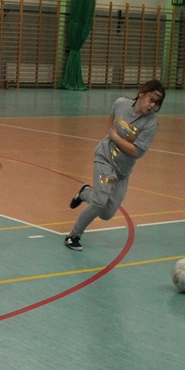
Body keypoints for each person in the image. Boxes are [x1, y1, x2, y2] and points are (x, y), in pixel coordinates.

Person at [65, 80, 166, 251]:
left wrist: (115, 138)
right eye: (151, 99)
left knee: (106, 213)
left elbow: (136, 152)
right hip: (105, 160)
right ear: (142, 93)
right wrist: (110, 135)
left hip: (122, 172)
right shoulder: (121, 104)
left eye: (156, 103)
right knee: (99, 201)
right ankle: (73, 235)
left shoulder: (150, 123)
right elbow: (112, 117)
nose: (152, 105)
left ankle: (85, 193)